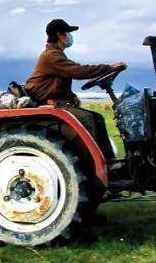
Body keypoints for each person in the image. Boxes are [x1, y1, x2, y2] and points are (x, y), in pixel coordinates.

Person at [24, 18, 126, 160]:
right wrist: (108, 67)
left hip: (57, 100)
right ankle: (95, 165)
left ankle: (109, 161)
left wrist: (71, 96)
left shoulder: (55, 54)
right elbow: (78, 71)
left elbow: (56, 83)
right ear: (60, 35)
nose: (70, 37)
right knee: (88, 119)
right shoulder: (51, 56)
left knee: (98, 118)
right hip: (49, 103)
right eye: (68, 33)